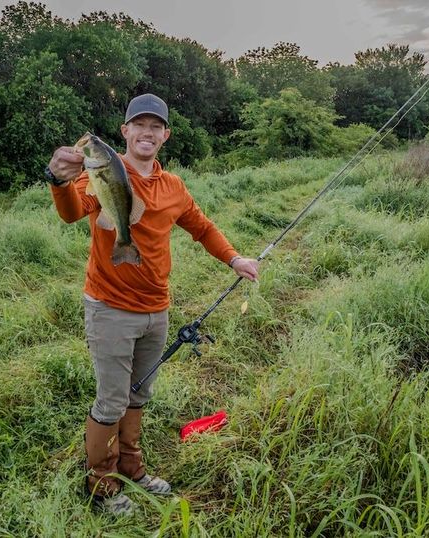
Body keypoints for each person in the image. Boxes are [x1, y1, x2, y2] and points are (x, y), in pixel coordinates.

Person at [46, 93, 259, 515]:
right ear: (125, 131)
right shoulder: (103, 171)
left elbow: (202, 227)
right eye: (138, 125)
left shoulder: (173, 186)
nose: (147, 132)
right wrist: (58, 179)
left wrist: (235, 258)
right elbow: (73, 211)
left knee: (139, 394)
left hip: (156, 309)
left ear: (165, 135)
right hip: (109, 307)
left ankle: (133, 468)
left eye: (155, 126)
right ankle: (102, 487)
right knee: (111, 399)